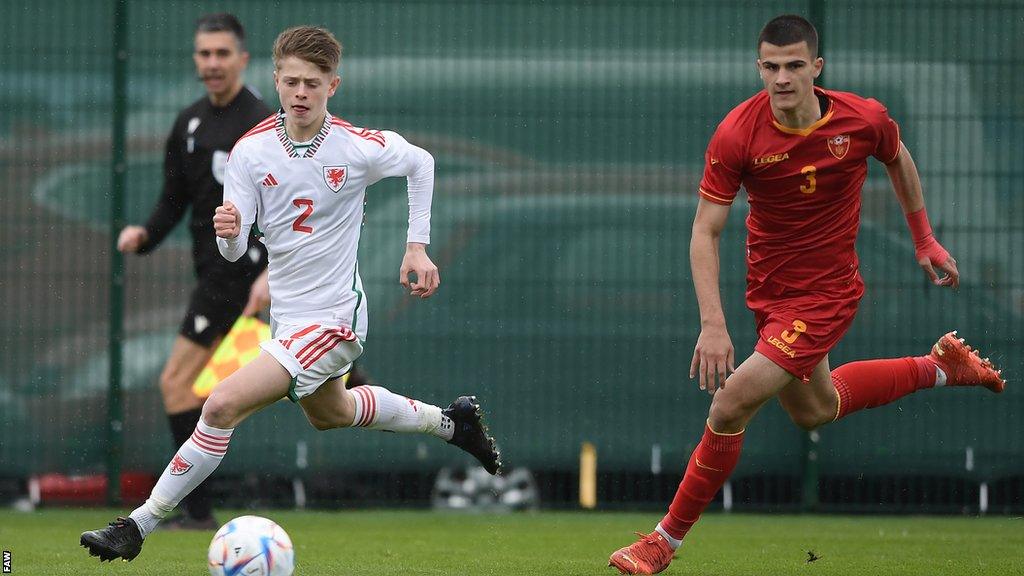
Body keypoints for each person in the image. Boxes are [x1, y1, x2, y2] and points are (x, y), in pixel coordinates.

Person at [81, 25, 500, 562]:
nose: (301, 93)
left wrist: (416, 247)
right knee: (334, 412)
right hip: (289, 320)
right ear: (276, 81)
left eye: (314, 83)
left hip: (336, 320)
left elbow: (422, 162)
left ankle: (137, 525)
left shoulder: (355, 148)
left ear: (333, 86)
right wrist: (229, 233)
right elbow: (234, 254)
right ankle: (451, 423)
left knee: (220, 403)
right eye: (292, 82)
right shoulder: (250, 152)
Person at [608, 14, 1005, 574]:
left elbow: (897, 155)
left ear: (816, 68)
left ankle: (661, 542)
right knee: (816, 410)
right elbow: (704, 230)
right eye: (770, 66)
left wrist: (925, 239)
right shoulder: (737, 133)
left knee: (730, 404)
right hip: (769, 295)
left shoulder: (862, 118)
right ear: (759, 69)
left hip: (826, 296)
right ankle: (938, 368)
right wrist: (714, 323)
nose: (782, 77)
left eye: (794, 65)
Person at [115, 13, 271, 531]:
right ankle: (447, 424)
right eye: (203, 54)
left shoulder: (264, 123)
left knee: (178, 384)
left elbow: (285, 210)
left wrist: (269, 275)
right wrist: (145, 237)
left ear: (243, 60)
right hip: (215, 276)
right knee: (325, 400)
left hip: (243, 279)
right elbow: (174, 199)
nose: (211, 64)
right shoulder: (188, 122)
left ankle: (198, 510)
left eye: (222, 54)